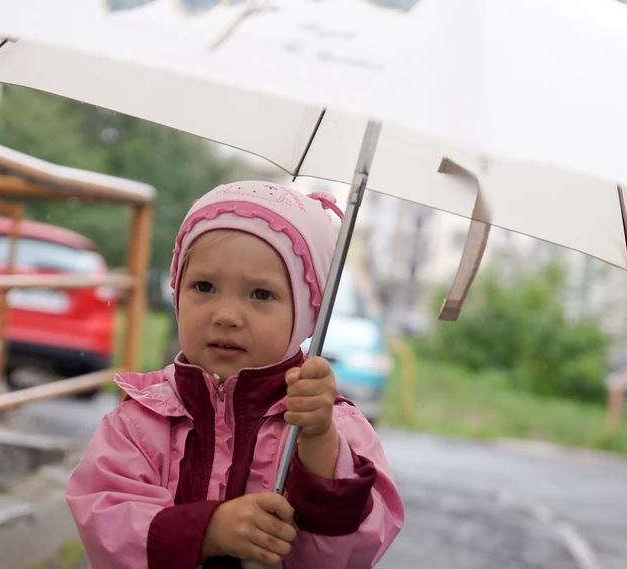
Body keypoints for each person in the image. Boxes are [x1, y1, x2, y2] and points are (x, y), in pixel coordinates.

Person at [66, 181, 405, 569]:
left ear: (307, 314)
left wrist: (319, 444)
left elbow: (355, 549)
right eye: (204, 286)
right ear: (177, 292)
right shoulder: (141, 420)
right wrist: (207, 532)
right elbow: (105, 520)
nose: (226, 315)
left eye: (261, 294)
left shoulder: (333, 425)